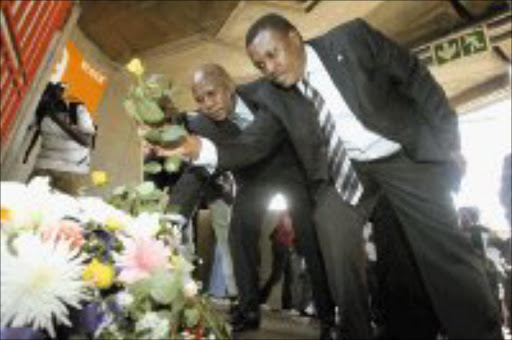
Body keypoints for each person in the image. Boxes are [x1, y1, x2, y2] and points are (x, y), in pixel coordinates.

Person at [160, 14, 503, 339]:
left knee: (440, 247)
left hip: (400, 154)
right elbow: (251, 144)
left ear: (294, 38)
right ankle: (353, 330)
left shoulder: (352, 39)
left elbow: (414, 76)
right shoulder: (276, 94)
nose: (270, 67)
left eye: (273, 54)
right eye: (260, 64)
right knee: (330, 227)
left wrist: (448, 143)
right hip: (347, 170)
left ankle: (478, 332)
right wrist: (195, 149)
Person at [163, 64, 335, 336]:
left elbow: (276, 137)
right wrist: (173, 216)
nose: (207, 104)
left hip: (291, 172)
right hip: (252, 181)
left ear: (229, 85)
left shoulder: (266, 92)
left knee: (310, 241)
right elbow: (197, 171)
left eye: (212, 94)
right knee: (238, 235)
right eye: (200, 99)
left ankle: (328, 317)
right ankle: (249, 309)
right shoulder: (204, 125)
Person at [29, 82, 96, 196]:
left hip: (70, 171)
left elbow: (85, 140)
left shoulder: (76, 109)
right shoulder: (43, 110)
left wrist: (56, 118)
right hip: (46, 166)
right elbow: (34, 129)